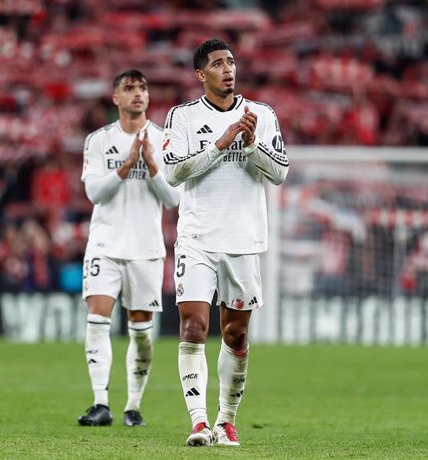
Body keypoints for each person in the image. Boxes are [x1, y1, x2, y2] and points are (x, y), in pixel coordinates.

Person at [162, 39, 289, 447]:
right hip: (197, 237)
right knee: (194, 326)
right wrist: (219, 145)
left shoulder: (262, 116)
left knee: (235, 335)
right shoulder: (182, 117)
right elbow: (173, 174)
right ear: (201, 75)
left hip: (243, 240)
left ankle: (226, 420)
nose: (227, 69)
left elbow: (280, 173)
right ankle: (198, 422)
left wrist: (250, 145)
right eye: (217, 64)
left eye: (230, 62)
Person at [77, 69, 180, 428]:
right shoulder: (98, 140)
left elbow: (173, 198)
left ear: (148, 97)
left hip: (146, 248)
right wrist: (124, 167)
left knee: (141, 330)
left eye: (143, 88)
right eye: (129, 88)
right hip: (105, 244)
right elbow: (94, 194)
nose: (138, 94)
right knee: (98, 319)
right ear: (116, 97)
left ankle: (133, 406)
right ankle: (100, 403)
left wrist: (151, 165)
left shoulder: (165, 140)